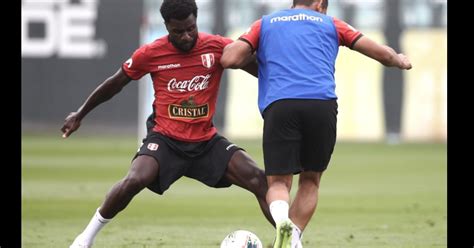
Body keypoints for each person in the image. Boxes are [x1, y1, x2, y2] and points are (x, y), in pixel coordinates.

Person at [62, 0, 273, 247]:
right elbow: (115, 83)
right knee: (134, 180)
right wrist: (80, 113)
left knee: (259, 179)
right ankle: (85, 239)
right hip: (165, 140)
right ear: (166, 27)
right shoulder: (151, 53)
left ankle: (290, 241)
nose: (185, 36)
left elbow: (261, 69)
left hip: (206, 141)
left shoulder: (217, 47)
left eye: (190, 28)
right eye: (177, 31)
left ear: (197, 20)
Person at [220, 0, 412, 247]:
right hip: (321, 105)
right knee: (311, 180)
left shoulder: (266, 23)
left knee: (278, 182)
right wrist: (399, 59)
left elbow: (231, 59)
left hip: (281, 104)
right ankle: (294, 239)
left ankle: (282, 222)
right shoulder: (331, 23)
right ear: (321, 3)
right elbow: (382, 53)